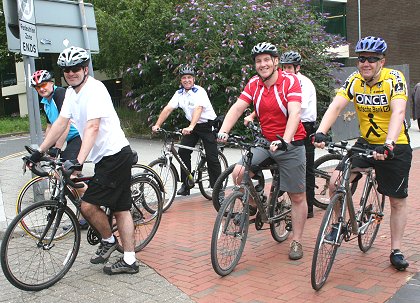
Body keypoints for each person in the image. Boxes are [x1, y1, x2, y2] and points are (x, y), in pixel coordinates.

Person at [27, 46, 139, 275]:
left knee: (88, 205)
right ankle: (127, 257)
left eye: (76, 68)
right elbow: (60, 123)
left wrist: (77, 161)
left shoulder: (95, 89)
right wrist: (39, 151)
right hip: (104, 158)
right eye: (66, 69)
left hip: (115, 154)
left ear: (85, 69)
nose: (71, 73)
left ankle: (110, 242)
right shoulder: (70, 93)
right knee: (120, 208)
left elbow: (92, 127)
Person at [313, 36, 412, 271]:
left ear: (382, 61)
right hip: (366, 142)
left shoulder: (394, 79)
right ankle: (337, 223)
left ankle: (396, 249)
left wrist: (388, 144)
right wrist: (320, 132)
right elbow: (336, 106)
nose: (365, 63)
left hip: (394, 144)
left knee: (397, 201)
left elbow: (399, 113)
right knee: (336, 181)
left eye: (371, 59)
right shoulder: (354, 80)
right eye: (361, 59)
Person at [218, 42, 308, 260]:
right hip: (266, 141)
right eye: (258, 61)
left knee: (297, 196)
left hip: (291, 142)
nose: (263, 64)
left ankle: (296, 241)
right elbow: (238, 107)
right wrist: (223, 131)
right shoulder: (254, 84)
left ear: (276, 62)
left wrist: (285, 140)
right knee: (238, 173)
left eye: (267, 59)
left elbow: (295, 114)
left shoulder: (290, 82)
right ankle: (257, 204)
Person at [151, 65, 221, 196]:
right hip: (193, 126)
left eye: (189, 77)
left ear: (194, 79)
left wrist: (191, 127)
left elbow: (198, 109)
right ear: (180, 80)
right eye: (184, 78)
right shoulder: (179, 94)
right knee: (183, 151)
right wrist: (157, 124)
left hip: (207, 125)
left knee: (212, 158)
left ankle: (218, 189)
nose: (186, 80)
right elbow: (168, 109)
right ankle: (187, 183)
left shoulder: (200, 91)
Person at [31, 69, 88, 229]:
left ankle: (94, 204)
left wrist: (56, 148)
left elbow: (66, 123)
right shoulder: (45, 102)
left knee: (66, 173)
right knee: (65, 177)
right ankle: (85, 213)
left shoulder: (59, 94)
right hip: (70, 140)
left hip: (80, 136)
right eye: (37, 87)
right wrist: (46, 148)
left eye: (43, 84)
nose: (41, 89)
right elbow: (50, 126)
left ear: (51, 83)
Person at [280, 51, 317, 219]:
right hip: (288, 126)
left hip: (305, 127)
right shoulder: (282, 81)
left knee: (306, 168)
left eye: (289, 67)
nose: (286, 70)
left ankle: (308, 207)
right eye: (284, 67)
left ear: (297, 68)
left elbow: (297, 108)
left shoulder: (304, 83)